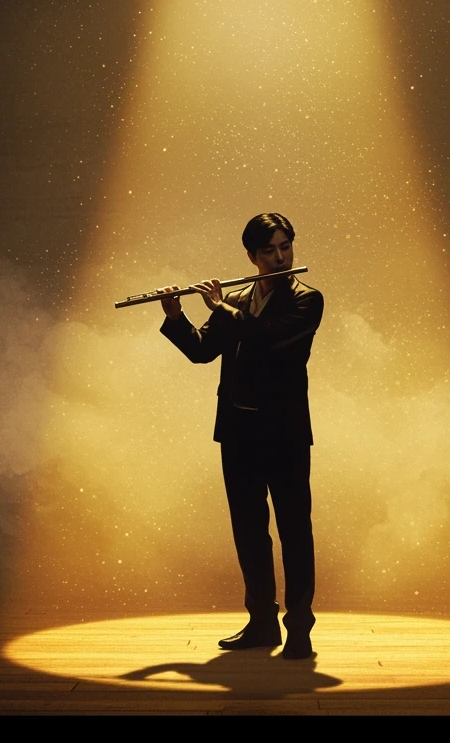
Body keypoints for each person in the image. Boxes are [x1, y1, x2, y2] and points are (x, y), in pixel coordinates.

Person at [156, 212, 324, 660]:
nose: (279, 256)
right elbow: (201, 351)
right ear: (251, 255)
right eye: (268, 250)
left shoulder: (308, 300)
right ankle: (262, 624)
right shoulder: (238, 298)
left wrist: (220, 309)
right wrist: (178, 315)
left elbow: (271, 341)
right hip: (239, 432)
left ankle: (300, 628)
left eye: (285, 246)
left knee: (293, 529)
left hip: (284, 433)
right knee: (249, 531)